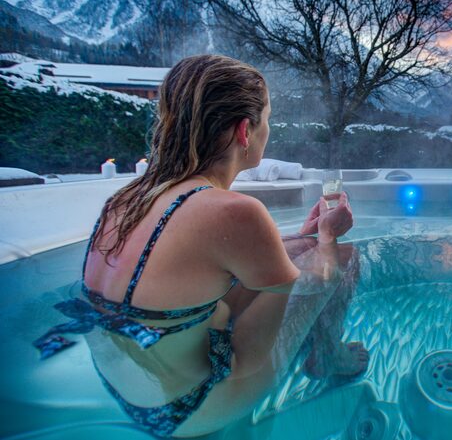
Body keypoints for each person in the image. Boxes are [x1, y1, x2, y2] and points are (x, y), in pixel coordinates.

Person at [34, 54, 368, 437]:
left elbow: (197, 265)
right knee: (342, 258)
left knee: (297, 252)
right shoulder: (235, 212)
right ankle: (328, 357)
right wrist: (326, 239)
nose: (268, 129)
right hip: (190, 409)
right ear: (245, 130)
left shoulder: (127, 199)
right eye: (268, 119)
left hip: (137, 394)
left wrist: (302, 238)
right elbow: (256, 354)